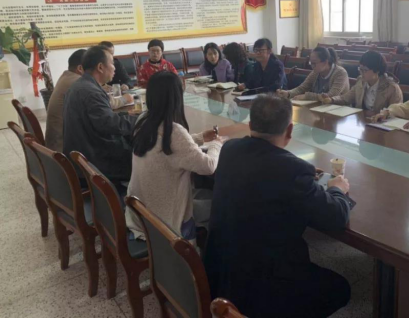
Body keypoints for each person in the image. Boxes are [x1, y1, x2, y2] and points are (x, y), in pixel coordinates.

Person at [204, 94, 351, 318]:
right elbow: (337, 217)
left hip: (219, 274)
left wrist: (303, 179)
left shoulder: (229, 149)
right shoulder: (293, 170)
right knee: (341, 288)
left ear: (250, 125)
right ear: (290, 130)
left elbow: (263, 174)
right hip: (264, 289)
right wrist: (337, 189)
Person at [125, 71, 223, 243]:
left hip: (142, 213)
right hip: (165, 223)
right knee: (223, 206)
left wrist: (200, 137)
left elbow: (167, 148)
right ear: (176, 97)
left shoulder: (143, 120)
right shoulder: (175, 132)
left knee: (203, 195)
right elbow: (208, 166)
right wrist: (217, 144)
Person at [63, 46, 137, 184]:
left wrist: (126, 115)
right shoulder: (91, 92)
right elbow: (111, 125)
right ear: (100, 67)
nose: (115, 68)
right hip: (94, 161)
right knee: (146, 155)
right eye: (112, 64)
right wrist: (139, 120)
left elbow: (103, 117)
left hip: (83, 151)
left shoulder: (82, 84)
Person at [321, 51, 402, 112]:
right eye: (360, 69)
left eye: (365, 70)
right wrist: (331, 100)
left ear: (377, 70)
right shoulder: (361, 81)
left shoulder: (392, 88)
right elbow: (346, 98)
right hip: (362, 122)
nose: (361, 73)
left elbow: (396, 112)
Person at [44, 49, 86, 152]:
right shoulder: (77, 82)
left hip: (56, 144)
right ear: (80, 68)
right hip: (63, 150)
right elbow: (105, 103)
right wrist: (123, 99)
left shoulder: (66, 77)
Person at [277, 47, 349, 100]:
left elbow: (330, 96)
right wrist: (288, 93)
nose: (312, 66)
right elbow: (302, 88)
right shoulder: (315, 72)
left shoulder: (340, 73)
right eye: (311, 63)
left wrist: (307, 96)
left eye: (314, 63)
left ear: (325, 62)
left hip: (339, 110)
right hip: (320, 107)